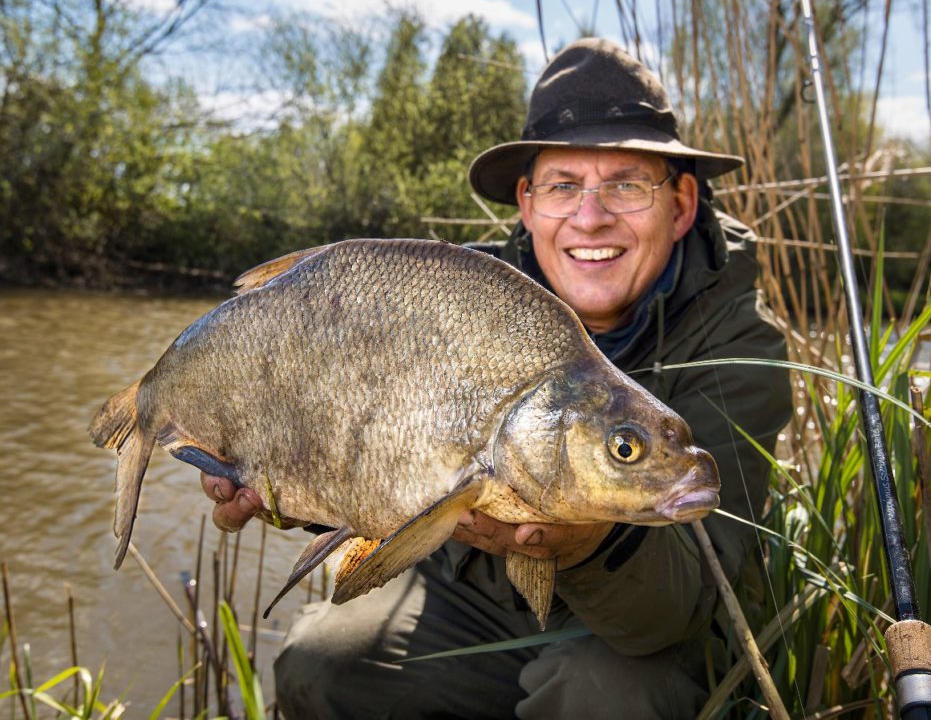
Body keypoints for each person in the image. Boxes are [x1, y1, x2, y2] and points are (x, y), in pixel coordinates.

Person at [201, 38, 792, 717]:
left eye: (626, 184)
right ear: (527, 201)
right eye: (563, 185)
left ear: (683, 204)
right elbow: (379, 445)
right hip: (475, 596)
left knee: (605, 693)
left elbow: (683, 604)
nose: (590, 216)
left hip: (641, 631)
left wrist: (586, 538)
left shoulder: (745, 344)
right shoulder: (454, 293)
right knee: (322, 665)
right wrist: (308, 482)